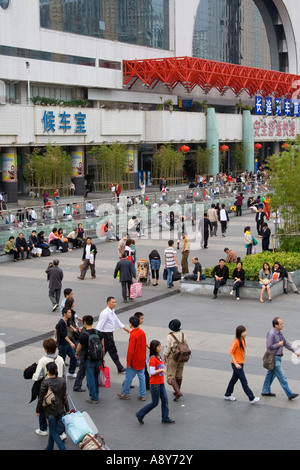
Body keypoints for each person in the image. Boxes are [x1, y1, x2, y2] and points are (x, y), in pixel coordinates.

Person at [135, 340, 175, 425]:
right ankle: (140, 414)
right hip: (155, 384)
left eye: (160, 346)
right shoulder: (153, 359)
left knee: (165, 401)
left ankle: (165, 418)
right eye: (158, 347)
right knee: (154, 403)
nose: (160, 348)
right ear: (155, 348)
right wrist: (161, 370)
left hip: (160, 383)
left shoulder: (158, 357)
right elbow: (152, 372)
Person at [32, 338, 66, 437]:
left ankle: (43, 429)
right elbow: (63, 374)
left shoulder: (43, 360)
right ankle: (62, 432)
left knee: (44, 407)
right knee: (60, 409)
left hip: (47, 388)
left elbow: (37, 376)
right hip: (59, 386)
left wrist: (33, 376)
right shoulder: (60, 359)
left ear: (45, 349)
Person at [261, 317, 300, 400]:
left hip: (277, 358)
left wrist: (295, 351)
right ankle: (289, 394)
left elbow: (285, 343)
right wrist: (278, 344)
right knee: (282, 376)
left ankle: (265, 390)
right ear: (276, 325)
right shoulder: (272, 334)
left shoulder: (279, 333)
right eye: (281, 324)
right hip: (274, 358)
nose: (282, 325)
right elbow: (269, 346)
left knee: (270, 375)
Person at [36, 362, 69, 450]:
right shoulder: (62, 380)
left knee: (54, 431)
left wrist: (38, 410)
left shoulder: (45, 382)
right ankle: (49, 447)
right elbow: (64, 396)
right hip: (60, 409)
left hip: (50, 411)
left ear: (47, 371)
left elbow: (40, 398)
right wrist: (68, 409)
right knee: (52, 428)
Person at [224, 325, 260, 404]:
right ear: (240, 333)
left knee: (234, 380)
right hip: (237, 365)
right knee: (244, 381)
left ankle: (227, 394)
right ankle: (252, 398)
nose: (245, 333)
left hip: (240, 364)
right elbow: (230, 353)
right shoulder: (236, 341)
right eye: (244, 332)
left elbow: (241, 353)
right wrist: (236, 364)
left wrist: (242, 362)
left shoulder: (243, 340)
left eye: (245, 331)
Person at [96, 296, 130, 373]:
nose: (114, 304)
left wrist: (124, 328)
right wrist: (97, 335)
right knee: (113, 351)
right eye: (113, 302)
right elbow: (100, 325)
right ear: (108, 303)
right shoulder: (105, 313)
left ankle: (98, 363)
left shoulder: (112, 311)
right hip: (106, 334)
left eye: (115, 302)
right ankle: (119, 367)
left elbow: (116, 320)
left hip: (109, 334)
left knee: (105, 350)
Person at [75, 315, 104, 404]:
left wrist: (76, 354)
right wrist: (102, 357)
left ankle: (93, 397)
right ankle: (96, 394)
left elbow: (79, 347)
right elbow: (103, 346)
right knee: (95, 377)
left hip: (89, 359)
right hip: (98, 359)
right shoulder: (98, 333)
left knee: (90, 378)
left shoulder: (84, 335)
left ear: (84, 322)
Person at [117, 316, 147, 400]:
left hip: (134, 361)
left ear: (130, 324)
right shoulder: (142, 332)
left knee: (128, 378)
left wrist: (128, 362)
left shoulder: (133, 334)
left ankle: (125, 393)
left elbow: (130, 351)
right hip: (142, 359)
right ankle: (142, 394)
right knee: (142, 377)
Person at [163, 319, 188, 401]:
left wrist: (164, 357)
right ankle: (178, 389)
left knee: (170, 376)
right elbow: (186, 345)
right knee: (179, 374)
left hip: (173, 357)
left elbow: (167, 348)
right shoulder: (183, 334)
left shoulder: (170, 336)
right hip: (182, 356)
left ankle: (177, 391)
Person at [54, 307, 77, 378]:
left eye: (70, 313)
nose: (70, 314)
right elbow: (64, 335)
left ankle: (71, 372)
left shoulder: (65, 321)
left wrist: (73, 328)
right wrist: (71, 343)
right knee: (61, 361)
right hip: (62, 345)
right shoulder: (61, 323)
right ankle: (58, 375)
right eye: (69, 313)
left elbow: (56, 328)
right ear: (65, 314)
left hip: (66, 344)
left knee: (74, 357)